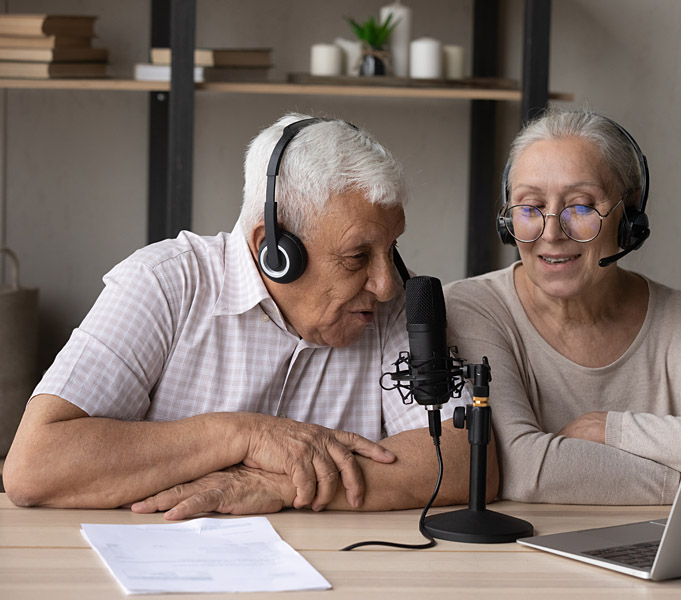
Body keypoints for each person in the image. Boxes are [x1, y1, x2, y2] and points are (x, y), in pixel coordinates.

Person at [4, 113, 496, 519]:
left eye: (391, 248)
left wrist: (275, 482)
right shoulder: (164, 283)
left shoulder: (391, 305)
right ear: (275, 249)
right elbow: (35, 465)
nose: (387, 283)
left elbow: (466, 459)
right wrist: (243, 434)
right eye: (356, 256)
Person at [444, 108, 681, 505]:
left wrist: (612, 430)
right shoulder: (472, 308)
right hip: (526, 561)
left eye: (581, 207)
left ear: (629, 216)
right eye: (530, 208)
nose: (551, 234)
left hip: (665, 555)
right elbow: (522, 468)